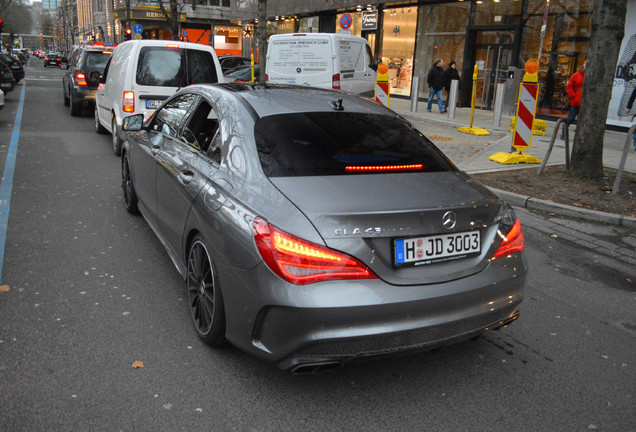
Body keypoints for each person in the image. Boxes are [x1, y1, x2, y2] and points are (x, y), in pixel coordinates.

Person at [562, 60, 586, 139]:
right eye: (586, 64)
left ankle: (581, 136)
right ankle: (563, 132)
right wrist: (573, 96)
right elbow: (569, 87)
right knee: (570, 118)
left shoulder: (590, 76)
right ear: (583, 64)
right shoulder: (576, 75)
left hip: (585, 103)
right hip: (575, 102)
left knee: (583, 121)